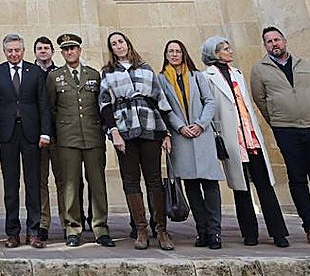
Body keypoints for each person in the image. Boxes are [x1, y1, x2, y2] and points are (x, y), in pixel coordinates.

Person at [251, 26, 310, 246]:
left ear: (284, 41)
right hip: (285, 129)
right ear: (265, 46)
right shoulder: (260, 69)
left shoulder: (304, 65)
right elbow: (260, 99)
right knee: (297, 178)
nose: (274, 44)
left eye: (277, 40)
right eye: (269, 41)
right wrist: (277, 118)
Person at [201, 36, 290, 247]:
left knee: (264, 185)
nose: (230, 51)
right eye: (225, 49)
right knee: (241, 188)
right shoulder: (207, 77)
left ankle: (278, 232)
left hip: (250, 135)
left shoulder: (238, 73)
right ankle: (250, 233)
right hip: (231, 137)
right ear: (215, 53)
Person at [98, 30, 175, 251]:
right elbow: (105, 105)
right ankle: (141, 229)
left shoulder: (145, 69)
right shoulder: (108, 73)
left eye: (121, 42)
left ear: (128, 44)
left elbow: (160, 100)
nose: (118, 46)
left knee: (154, 179)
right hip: (124, 130)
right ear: (111, 49)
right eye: (114, 44)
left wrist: (166, 133)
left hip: (150, 127)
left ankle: (161, 229)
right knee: (131, 180)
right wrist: (113, 132)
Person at [44, 33, 113, 247]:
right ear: (62, 53)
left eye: (73, 48)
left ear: (79, 50)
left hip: (93, 136)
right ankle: (72, 228)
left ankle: (100, 228)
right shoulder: (55, 77)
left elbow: (101, 104)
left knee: (97, 183)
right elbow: (51, 108)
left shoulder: (93, 74)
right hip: (67, 138)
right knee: (70, 185)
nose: (70, 52)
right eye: (65, 49)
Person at [159, 39, 225, 249]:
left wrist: (200, 124)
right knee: (192, 187)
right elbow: (165, 107)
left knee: (210, 185)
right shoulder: (162, 79)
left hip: (202, 135)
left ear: (184, 53)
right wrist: (180, 127)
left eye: (178, 51)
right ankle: (202, 230)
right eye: (170, 51)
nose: (174, 54)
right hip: (182, 137)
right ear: (166, 55)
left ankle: (215, 232)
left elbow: (210, 101)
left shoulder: (197, 76)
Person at [0, 33, 52, 249]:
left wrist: (45, 133)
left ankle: (33, 231)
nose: (14, 54)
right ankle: (12, 233)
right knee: (11, 184)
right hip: (7, 134)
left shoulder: (34, 71)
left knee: (33, 183)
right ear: (4, 52)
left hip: (31, 134)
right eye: (10, 51)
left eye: (17, 50)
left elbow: (43, 103)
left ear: (23, 51)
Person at [32, 35, 63, 243]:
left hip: (59, 135)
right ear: (35, 52)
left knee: (64, 180)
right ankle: (43, 223)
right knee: (39, 182)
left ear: (52, 51)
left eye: (46, 48)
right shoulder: (29, 73)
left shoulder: (60, 74)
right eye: (39, 48)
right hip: (36, 137)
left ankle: (68, 222)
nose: (43, 51)